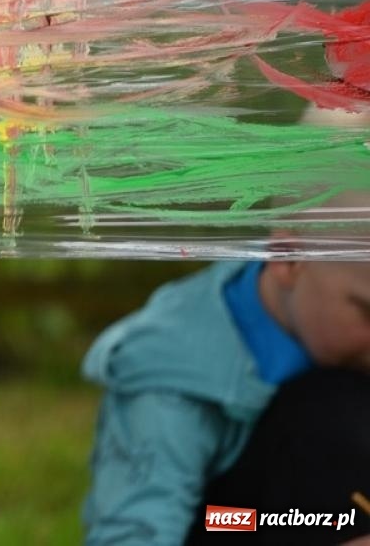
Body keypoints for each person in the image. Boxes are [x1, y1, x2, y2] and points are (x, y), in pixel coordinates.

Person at [81, 188, 370, 545]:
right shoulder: (173, 386)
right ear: (289, 258)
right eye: (368, 312)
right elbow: (134, 533)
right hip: (230, 522)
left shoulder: (326, 311)